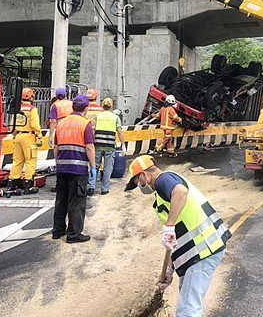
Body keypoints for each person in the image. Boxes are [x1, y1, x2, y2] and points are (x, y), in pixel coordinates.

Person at [124, 155, 231, 317]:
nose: (140, 186)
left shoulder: (163, 180)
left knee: (187, 310)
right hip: (201, 251)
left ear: (143, 175)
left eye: (138, 182)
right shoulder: (164, 193)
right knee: (187, 299)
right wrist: (169, 269)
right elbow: (176, 237)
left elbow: (180, 192)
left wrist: (169, 225)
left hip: (203, 251)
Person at [52, 95, 96, 244]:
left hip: (62, 167)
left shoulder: (61, 123)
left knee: (61, 199)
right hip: (78, 169)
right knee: (76, 201)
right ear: (85, 109)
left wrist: (58, 163)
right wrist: (93, 167)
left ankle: (57, 231)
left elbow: (56, 146)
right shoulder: (85, 124)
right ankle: (74, 234)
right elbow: (89, 147)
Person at [8, 88, 43, 195]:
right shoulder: (32, 109)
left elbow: (12, 124)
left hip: (18, 136)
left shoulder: (17, 108)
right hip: (29, 137)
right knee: (30, 161)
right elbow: (35, 124)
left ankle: (12, 184)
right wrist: (39, 135)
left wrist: (14, 135)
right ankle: (28, 185)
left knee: (17, 161)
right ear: (31, 97)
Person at [90, 97, 125, 195]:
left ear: (102, 106)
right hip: (110, 146)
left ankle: (91, 187)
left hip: (97, 145)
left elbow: (92, 131)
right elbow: (120, 132)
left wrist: (91, 143)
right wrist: (123, 145)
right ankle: (104, 189)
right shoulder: (115, 117)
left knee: (94, 166)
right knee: (108, 167)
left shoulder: (97, 116)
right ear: (111, 106)